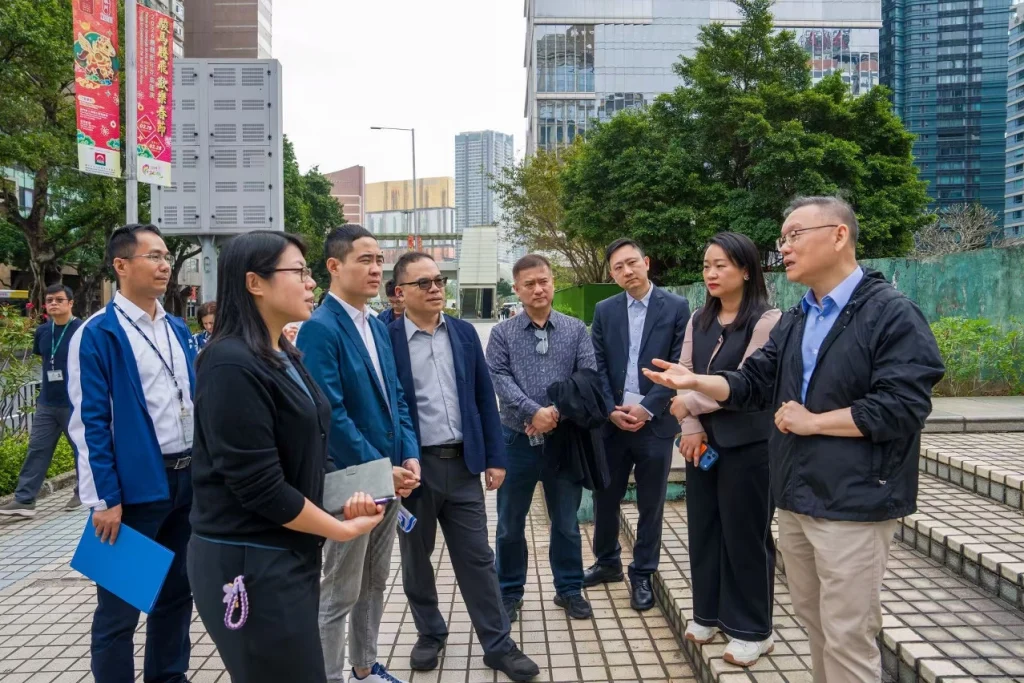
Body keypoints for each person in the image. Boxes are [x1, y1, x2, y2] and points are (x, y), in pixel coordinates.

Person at [644, 196, 945, 683]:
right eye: (782, 238)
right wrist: (695, 381)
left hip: (854, 501)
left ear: (839, 235)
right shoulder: (799, 317)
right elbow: (752, 382)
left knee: (847, 634)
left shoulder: (890, 312)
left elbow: (904, 406)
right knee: (815, 622)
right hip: (797, 495)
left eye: (795, 235)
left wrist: (814, 422)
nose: (783, 247)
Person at [187, 231, 384, 683]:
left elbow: (306, 450)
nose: (311, 282)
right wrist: (339, 528)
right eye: (298, 272)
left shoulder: (282, 353)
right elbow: (259, 485)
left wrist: (356, 489)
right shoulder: (230, 363)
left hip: (286, 553)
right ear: (254, 282)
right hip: (248, 561)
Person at [387, 252, 539, 681]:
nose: (436, 288)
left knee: (477, 558)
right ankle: (430, 633)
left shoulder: (464, 333)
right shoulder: (386, 339)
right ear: (400, 292)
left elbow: (483, 398)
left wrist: (495, 457)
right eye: (423, 283)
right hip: (413, 471)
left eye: (438, 280)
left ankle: (498, 644)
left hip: (463, 466)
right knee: (416, 557)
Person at [68, 223, 198, 683]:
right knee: (120, 610)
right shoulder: (99, 333)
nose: (165, 265)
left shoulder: (177, 327)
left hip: (186, 480)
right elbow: (89, 424)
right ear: (121, 265)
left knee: (177, 596)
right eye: (154, 256)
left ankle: (169, 677)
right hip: (135, 489)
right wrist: (104, 499)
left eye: (166, 257)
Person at [297, 224, 421, 683]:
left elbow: (397, 397)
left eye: (378, 260)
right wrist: (380, 469)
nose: (376, 269)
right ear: (334, 266)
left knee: (374, 580)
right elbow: (330, 413)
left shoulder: (376, 325)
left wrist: (409, 455)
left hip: (389, 478)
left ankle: (365, 668)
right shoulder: (319, 328)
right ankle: (328, 675)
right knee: (339, 589)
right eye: (365, 260)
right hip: (352, 482)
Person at [670, 233, 781, 666]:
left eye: (721, 265)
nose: (711, 274)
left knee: (745, 535)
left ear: (746, 270)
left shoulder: (767, 320)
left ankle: (754, 630)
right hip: (703, 444)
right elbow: (683, 371)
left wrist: (686, 404)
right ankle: (709, 614)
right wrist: (690, 425)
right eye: (706, 266)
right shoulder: (698, 318)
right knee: (705, 528)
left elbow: (745, 383)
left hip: (749, 447)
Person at [486, 253, 598, 623]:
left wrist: (555, 413)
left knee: (566, 521)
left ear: (553, 283)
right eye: (529, 284)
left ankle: (569, 589)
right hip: (515, 441)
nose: (538, 289)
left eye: (544, 281)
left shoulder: (575, 330)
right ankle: (509, 592)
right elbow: (499, 377)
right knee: (509, 523)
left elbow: (587, 377)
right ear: (516, 289)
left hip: (563, 442)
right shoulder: (502, 334)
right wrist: (532, 411)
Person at [585, 239, 690, 611]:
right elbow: (597, 364)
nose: (626, 271)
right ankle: (607, 561)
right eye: (618, 267)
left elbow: (680, 365)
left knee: (651, 502)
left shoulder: (676, 307)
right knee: (605, 496)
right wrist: (610, 409)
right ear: (612, 274)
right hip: (612, 422)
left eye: (631, 262)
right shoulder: (605, 310)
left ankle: (643, 572)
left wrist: (647, 408)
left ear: (646, 262)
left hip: (655, 422)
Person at [0, 284, 84, 518]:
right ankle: (24, 500)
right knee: (37, 449)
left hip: (75, 402)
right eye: (49, 300)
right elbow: (46, 359)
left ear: (70, 303)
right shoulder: (43, 331)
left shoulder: (82, 330)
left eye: (59, 299)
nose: (53, 303)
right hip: (47, 403)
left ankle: (83, 491)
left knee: (82, 449)